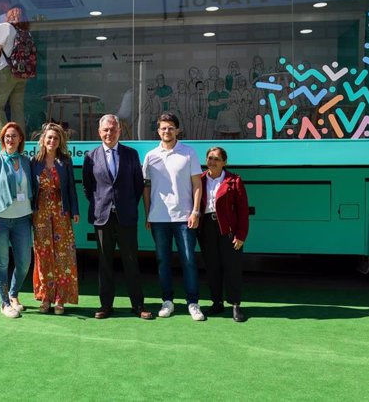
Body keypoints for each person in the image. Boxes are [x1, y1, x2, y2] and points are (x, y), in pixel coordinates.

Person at [82, 114, 152, 320]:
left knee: (131, 261)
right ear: (99, 132)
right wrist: (102, 203)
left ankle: (138, 305)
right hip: (102, 217)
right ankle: (105, 306)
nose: (109, 133)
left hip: (126, 217)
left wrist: (126, 204)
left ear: (119, 131)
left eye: (113, 129)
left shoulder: (131, 154)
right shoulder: (90, 156)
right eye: (105, 130)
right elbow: (88, 187)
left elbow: (138, 184)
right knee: (105, 263)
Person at [142, 113, 205, 321]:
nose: (166, 131)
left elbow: (198, 184)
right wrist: (148, 213)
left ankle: (193, 303)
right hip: (159, 218)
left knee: (188, 261)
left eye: (170, 128)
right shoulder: (151, 156)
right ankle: (167, 301)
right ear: (158, 131)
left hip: (185, 218)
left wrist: (195, 211)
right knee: (163, 261)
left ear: (177, 130)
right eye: (162, 128)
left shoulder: (188, 153)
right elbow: (147, 187)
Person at [0, 122, 33, 318]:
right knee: (1, 263)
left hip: (22, 219)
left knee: (24, 262)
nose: (10, 139)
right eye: (6, 136)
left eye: (13, 136)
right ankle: (4, 304)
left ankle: (13, 294)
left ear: (20, 139)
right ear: (3, 140)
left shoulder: (27, 161)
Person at [31, 123, 80, 315]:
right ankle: (45, 297)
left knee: (63, 255)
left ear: (60, 142)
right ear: (43, 140)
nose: (52, 141)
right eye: (49, 137)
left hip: (61, 212)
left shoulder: (65, 162)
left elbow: (71, 188)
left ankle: (60, 299)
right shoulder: (34, 161)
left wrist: (74, 210)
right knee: (43, 255)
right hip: (40, 212)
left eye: (56, 138)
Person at [198, 147, 250, 322]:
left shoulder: (234, 180)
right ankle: (216, 303)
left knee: (232, 267)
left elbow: (243, 211)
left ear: (224, 162)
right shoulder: (199, 179)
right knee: (212, 267)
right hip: (206, 228)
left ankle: (235, 305)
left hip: (228, 229)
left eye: (217, 159)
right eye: (210, 158)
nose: (212, 162)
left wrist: (241, 235)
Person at [0, 5, 29, 137]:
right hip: (22, 73)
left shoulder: (5, 27)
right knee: (17, 109)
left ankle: (3, 140)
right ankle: (20, 140)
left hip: (6, 71)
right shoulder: (25, 31)